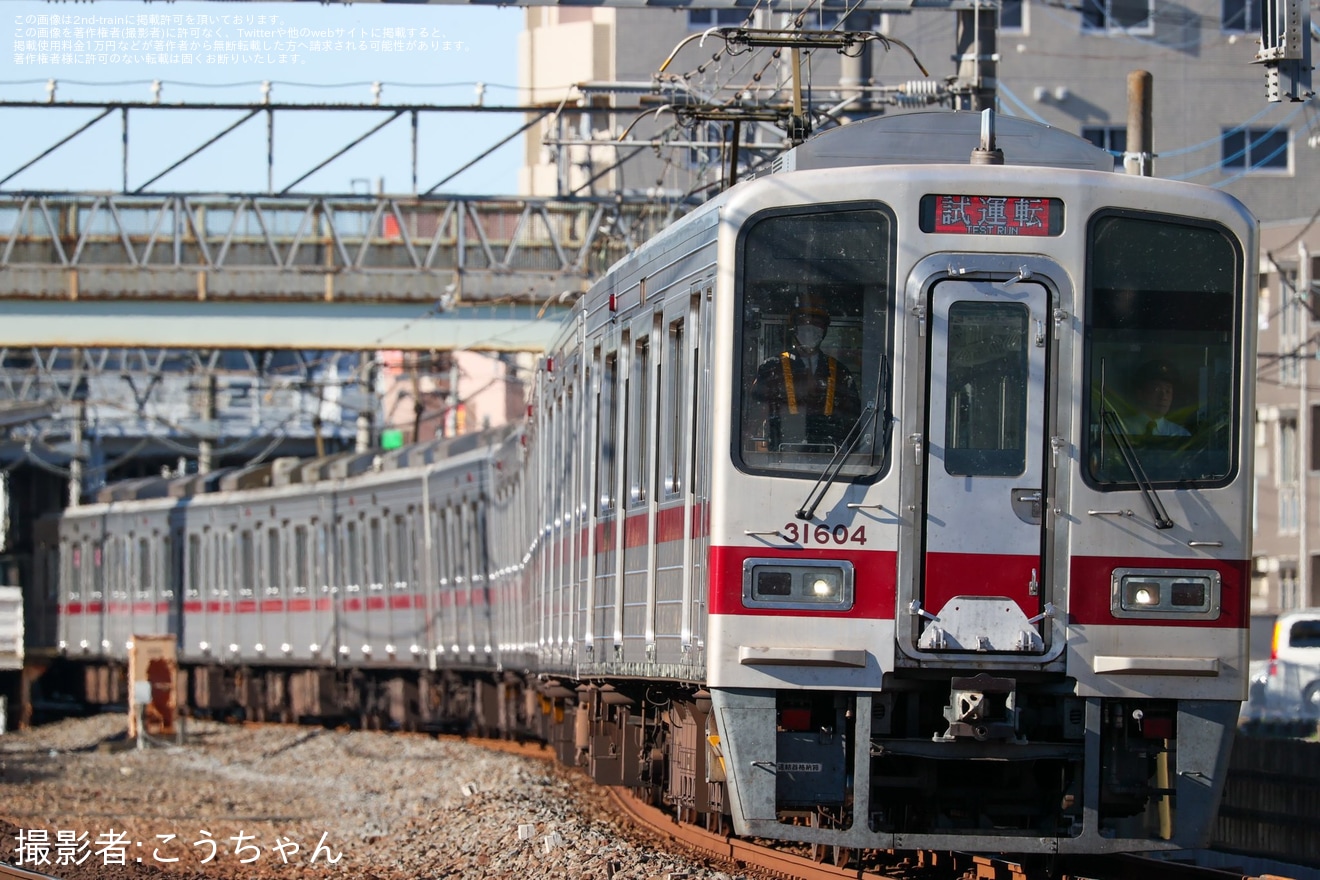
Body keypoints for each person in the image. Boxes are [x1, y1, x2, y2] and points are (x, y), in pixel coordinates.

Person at [747, 295, 862, 450]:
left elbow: (853, 418)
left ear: (824, 331)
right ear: (794, 329)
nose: (810, 330)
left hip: (829, 453)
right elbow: (755, 411)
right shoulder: (772, 367)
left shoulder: (840, 372)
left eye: (817, 325)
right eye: (804, 324)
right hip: (781, 450)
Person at [1124, 359, 1190, 437]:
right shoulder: (1120, 429)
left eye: (1168, 391)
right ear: (1140, 394)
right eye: (1156, 389)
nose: (1163, 397)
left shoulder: (1180, 435)